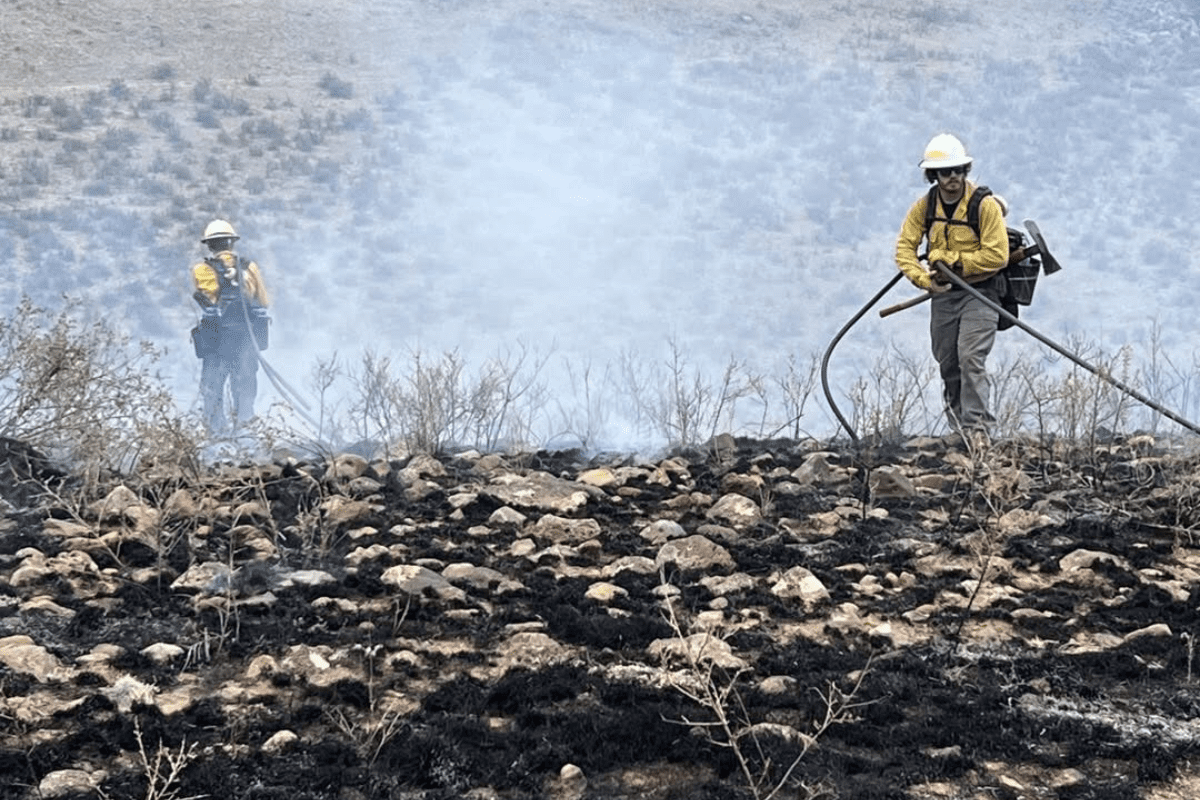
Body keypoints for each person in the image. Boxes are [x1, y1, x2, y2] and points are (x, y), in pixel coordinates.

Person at [894, 133, 1009, 442]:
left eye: (958, 170)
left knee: (970, 357)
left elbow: (998, 254)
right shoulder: (924, 207)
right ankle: (958, 430)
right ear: (934, 175)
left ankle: (978, 430)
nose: (953, 177)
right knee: (948, 361)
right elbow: (905, 248)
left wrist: (952, 260)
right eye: (946, 172)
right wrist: (923, 278)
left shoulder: (984, 206)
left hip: (981, 294)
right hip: (943, 296)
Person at [190, 219, 270, 435]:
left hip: (216, 344)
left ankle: (217, 442)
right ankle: (245, 439)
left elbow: (209, 298)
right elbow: (262, 301)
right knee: (244, 394)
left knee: (212, 393)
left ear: (210, 245)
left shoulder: (202, 270)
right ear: (232, 243)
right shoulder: (250, 268)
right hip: (245, 342)